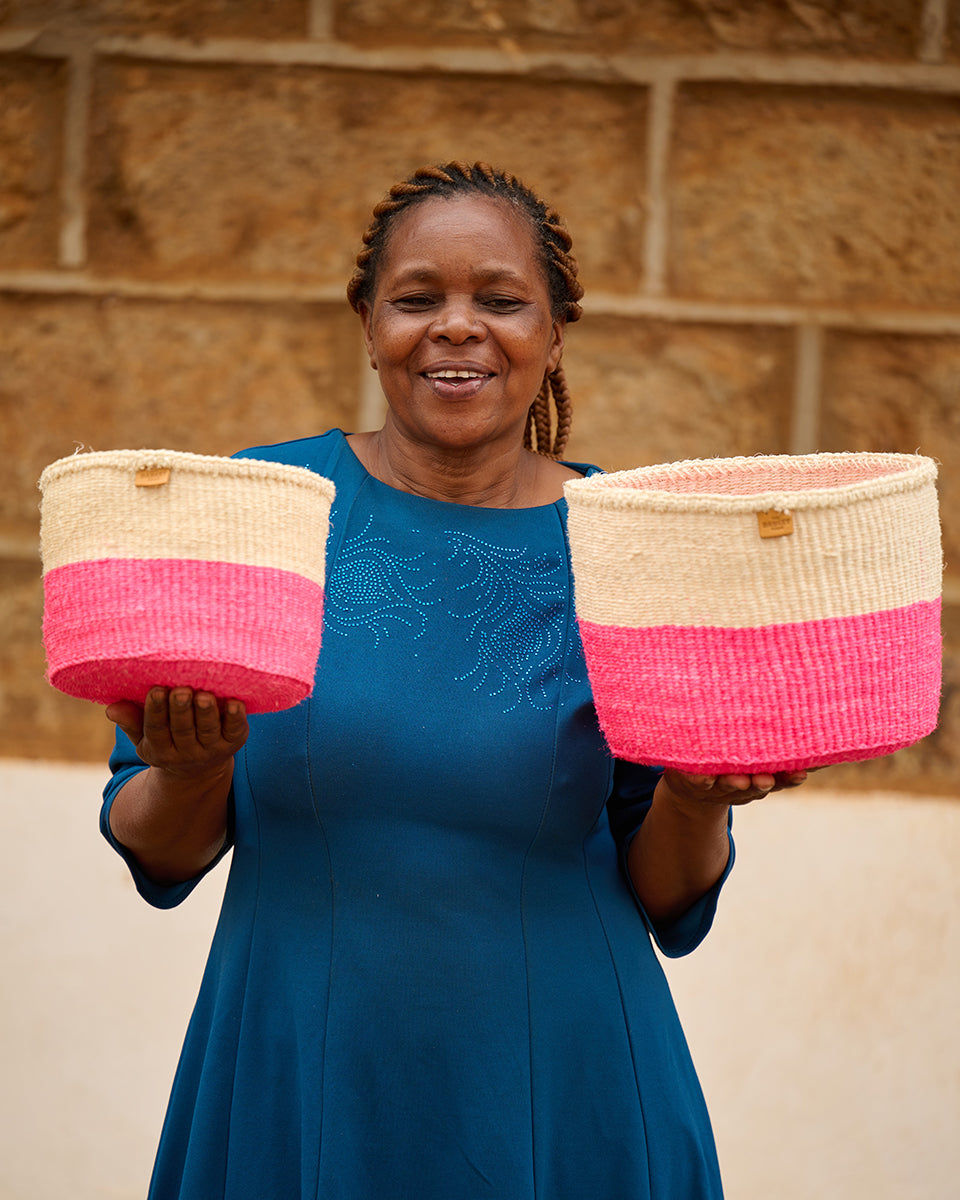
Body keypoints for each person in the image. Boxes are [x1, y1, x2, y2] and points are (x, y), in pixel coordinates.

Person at [103, 161, 810, 1199]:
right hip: (300, 1072)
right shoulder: (257, 511)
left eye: (502, 299)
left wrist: (697, 799)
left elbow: (666, 895)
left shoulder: (634, 545)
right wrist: (195, 769)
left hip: (560, 1090)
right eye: (418, 297)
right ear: (368, 321)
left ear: (556, 331)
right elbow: (155, 850)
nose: (457, 326)